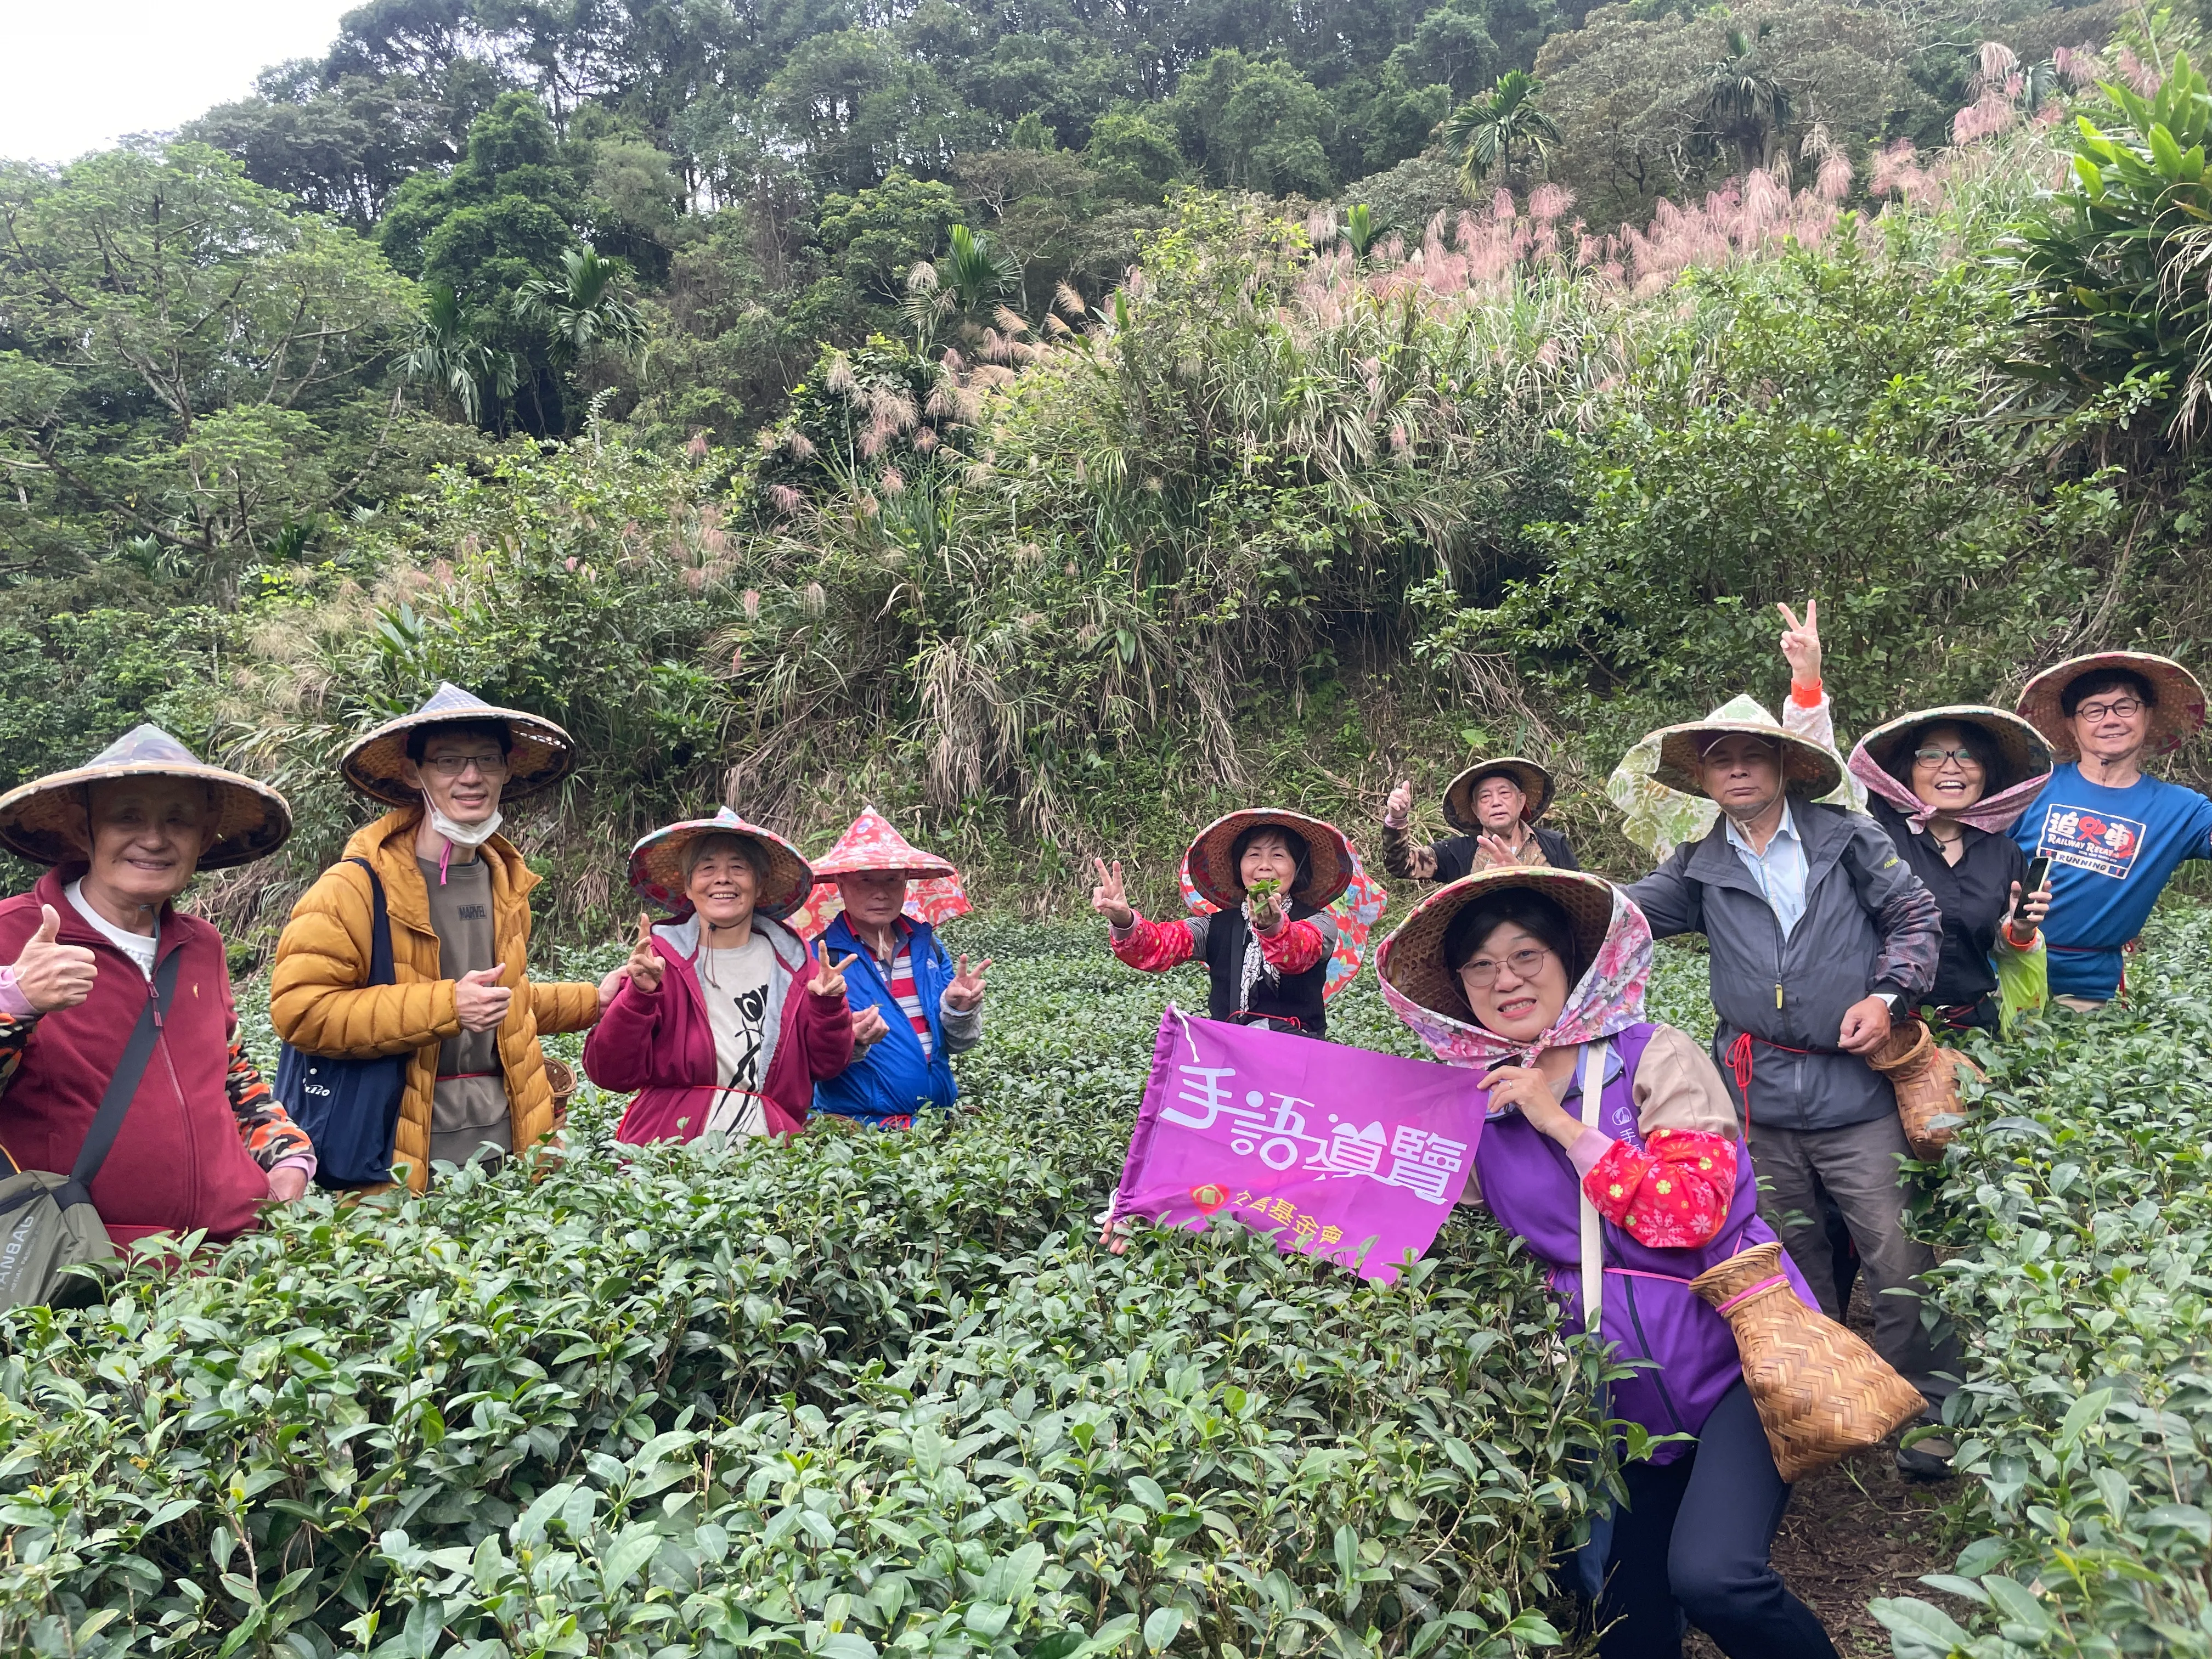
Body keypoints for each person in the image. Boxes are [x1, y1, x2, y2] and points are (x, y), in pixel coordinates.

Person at [1376, 869, 1837, 1659]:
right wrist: (1183, 1205)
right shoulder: (1475, 1104)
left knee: (1715, 1576)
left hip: (1736, 1362)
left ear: (1572, 963)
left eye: (1526, 956)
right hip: (1613, 1393)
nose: (1506, 980)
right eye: (1481, 967)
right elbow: (1400, 1216)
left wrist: (1557, 1121)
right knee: (1631, 1625)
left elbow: (1691, 1208)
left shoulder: (1654, 1056)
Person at [1621, 701, 1962, 1478]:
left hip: (1856, 1095)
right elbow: (1623, 916)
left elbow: (1915, 914)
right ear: (1705, 778)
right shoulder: (1698, 866)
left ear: (1783, 767)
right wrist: (1536, 893)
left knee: (1898, 1259)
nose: (1737, 768)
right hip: (1758, 1099)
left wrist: (1889, 997)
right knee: (1789, 1265)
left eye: (1752, 754)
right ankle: (1821, 1410)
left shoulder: (1848, 839)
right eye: (1720, 758)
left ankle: (1931, 1421)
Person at [271, 684, 614, 1188]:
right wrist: (447, 1007)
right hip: (398, 1157)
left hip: (508, 1148)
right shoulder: (353, 887)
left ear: (508, 769)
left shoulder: (505, 881)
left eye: (486, 760)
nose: (471, 777)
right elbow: (300, 1011)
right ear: (415, 773)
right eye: (448, 761)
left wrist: (595, 999)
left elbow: (501, 1002)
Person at [0, 725, 314, 1246]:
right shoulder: (12, 934)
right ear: (85, 829)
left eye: (179, 819)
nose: (153, 839)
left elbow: (232, 1073)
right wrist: (16, 1003)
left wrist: (287, 1155)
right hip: (88, 1272)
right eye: (127, 816)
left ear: (205, 834)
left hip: (230, 1260)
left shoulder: (202, 945)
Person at [585, 808, 854, 1141]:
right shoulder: (658, 961)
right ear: (688, 885)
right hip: (668, 1152)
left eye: (738, 868)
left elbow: (828, 1065)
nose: (722, 878)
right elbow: (611, 1073)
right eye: (707, 868)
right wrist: (638, 997)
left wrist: (828, 1009)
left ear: (759, 885)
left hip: (768, 1155)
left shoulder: (796, 966)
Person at [2009, 652, 2212, 1009]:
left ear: (2148, 716)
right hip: (2001, 967)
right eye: (2094, 710)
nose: (2111, 720)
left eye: (2125, 706)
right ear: (2073, 725)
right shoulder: (2031, 787)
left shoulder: (2181, 810)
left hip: (2089, 989)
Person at [1846, 707, 2054, 1032]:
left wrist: (2021, 929)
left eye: (1968, 756)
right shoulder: (1876, 839)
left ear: (1986, 771)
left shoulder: (2003, 852)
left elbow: (1995, 947)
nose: (1951, 767)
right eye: (1931, 755)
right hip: (1884, 1029)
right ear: (1908, 770)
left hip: (1976, 1033)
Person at [1091, 809, 1353, 1040]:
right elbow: (1160, 946)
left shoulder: (1319, 923)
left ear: (1297, 868)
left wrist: (1273, 929)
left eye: (1278, 855)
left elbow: (1300, 951)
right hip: (1229, 1061)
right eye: (1253, 855)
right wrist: (1124, 920)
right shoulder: (1213, 927)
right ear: (1239, 866)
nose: (1264, 866)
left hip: (1298, 1057)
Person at [806, 809, 990, 1130]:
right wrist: (849, 1039)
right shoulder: (819, 958)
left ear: (906, 883)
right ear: (841, 883)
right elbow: (805, 1058)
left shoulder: (928, 946)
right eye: (866, 879)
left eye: (892, 879)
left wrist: (958, 1010)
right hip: (857, 1134)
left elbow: (958, 1044)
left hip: (936, 1128)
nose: (881, 892)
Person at [1381, 757, 1581, 881]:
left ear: (1522, 802)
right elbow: (1402, 865)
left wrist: (1522, 879)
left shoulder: (1555, 846)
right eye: (1485, 797)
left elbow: (1578, 898)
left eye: (1504, 793)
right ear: (1475, 810)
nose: (1496, 802)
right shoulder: (1457, 854)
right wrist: (1397, 819)